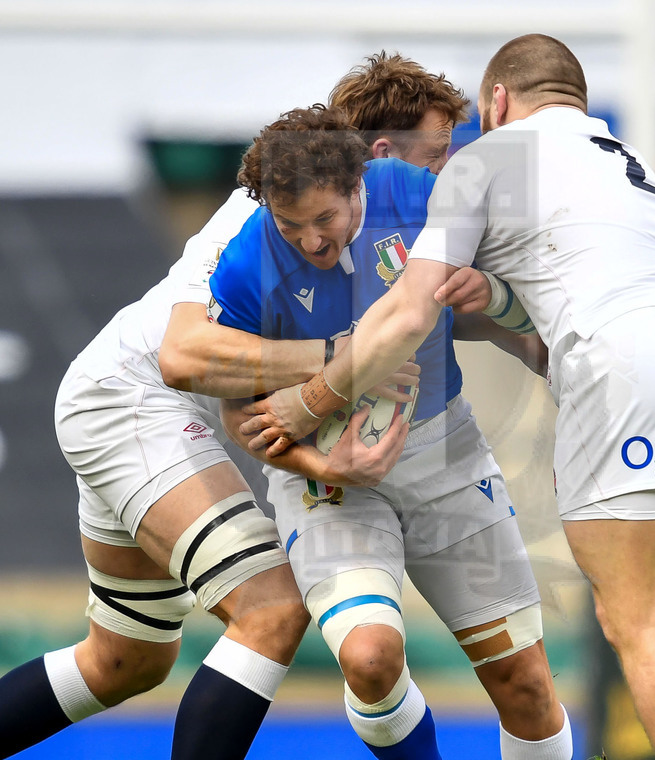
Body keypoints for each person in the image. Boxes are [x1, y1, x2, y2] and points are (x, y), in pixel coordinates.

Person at [243, 34, 655, 760]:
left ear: (498, 102)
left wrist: (309, 400)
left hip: (628, 365)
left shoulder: (495, 158)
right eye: (432, 154)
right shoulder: (624, 158)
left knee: (639, 621)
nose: (443, 169)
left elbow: (411, 311)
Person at [0, 52, 466, 760]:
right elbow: (184, 357)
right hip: (133, 399)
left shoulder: (372, 231)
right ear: (378, 154)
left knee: (124, 659)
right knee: (271, 608)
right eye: (433, 155)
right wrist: (341, 360)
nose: (443, 172)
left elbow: (252, 406)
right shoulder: (279, 214)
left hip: (124, 397)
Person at [212, 104, 573, 760]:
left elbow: (528, 292)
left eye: (325, 220)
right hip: (326, 483)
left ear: (359, 183)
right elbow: (237, 414)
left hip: (446, 457)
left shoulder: (413, 193)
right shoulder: (243, 267)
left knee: (524, 684)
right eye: (291, 227)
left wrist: (489, 289)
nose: (311, 242)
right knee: (371, 658)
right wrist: (327, 468)